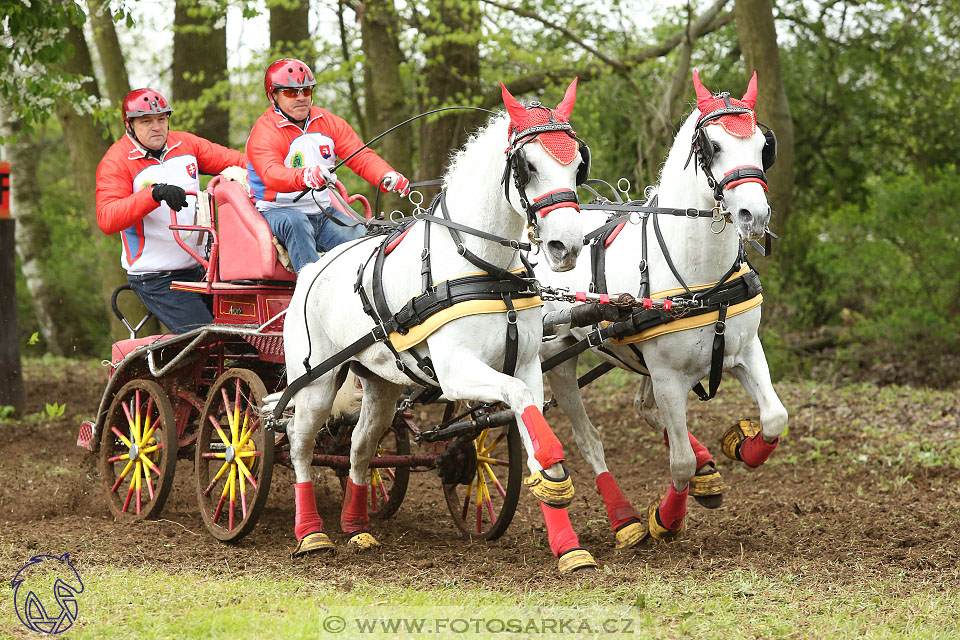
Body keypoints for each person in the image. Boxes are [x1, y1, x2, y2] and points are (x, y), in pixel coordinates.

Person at [96, 88, 247, 334]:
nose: (156, 126)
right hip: (157, 277)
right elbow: (107, 218)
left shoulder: (185, 143)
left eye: (161, 119)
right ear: (129, 125)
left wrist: (277, 172)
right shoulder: (116, 161)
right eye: (146, 121)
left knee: (245, 331)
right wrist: (153, 194)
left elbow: (237, 161)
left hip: (203, 267)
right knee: (207, 339)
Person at [246, 58, 410, 273]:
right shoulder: (265, 131)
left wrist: (386, 175)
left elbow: (359, 156)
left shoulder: (329, 122)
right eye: (290, 92)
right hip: (278, 210)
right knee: (296, 222)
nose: (301, 97)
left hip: (322, 212)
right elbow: (271, 173)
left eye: (306, 90)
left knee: (366, 244)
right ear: (272, 96)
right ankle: (310, 292)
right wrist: (305, 176)